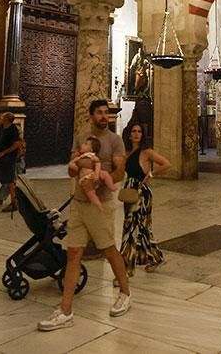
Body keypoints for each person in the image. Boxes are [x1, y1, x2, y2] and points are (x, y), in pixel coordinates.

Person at [38, 100, 132, 331]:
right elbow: (72, 167)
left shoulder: (115, 140)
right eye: (99, 112)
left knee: (109, 249)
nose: (103, 116)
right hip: (79, 202)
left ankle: (125, 292)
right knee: (73, 254)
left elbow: (120, 171)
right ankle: (65, 310)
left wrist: (102, 176)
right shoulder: (81, 137)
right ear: (90, 116)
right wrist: (74, 168)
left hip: (101, 205)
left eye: (106, 113)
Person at [120, 121, 171, 274]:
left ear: (142, 135)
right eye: (134, 131)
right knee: (141, 229)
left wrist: (150, 175)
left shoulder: (146, 152)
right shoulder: (127, 153)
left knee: (131, 230)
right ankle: (156, 257)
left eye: (139, 131)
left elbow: (166, 164)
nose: (136, 134)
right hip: (129, 191)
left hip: (141, 193)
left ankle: (125, 269)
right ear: (129, 134)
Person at [74, 137, 116, 211]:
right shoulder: (80, 157)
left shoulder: (93, 157)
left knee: (105, 174)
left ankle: (111, 186)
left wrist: (97, 173)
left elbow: (98, 164)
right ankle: (99, 206)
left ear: (91, 149)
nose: (82, 145)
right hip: (85, 179)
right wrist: (73, 165)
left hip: (93, 174)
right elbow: (73, 164)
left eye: (85, 144)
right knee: (91, 193)